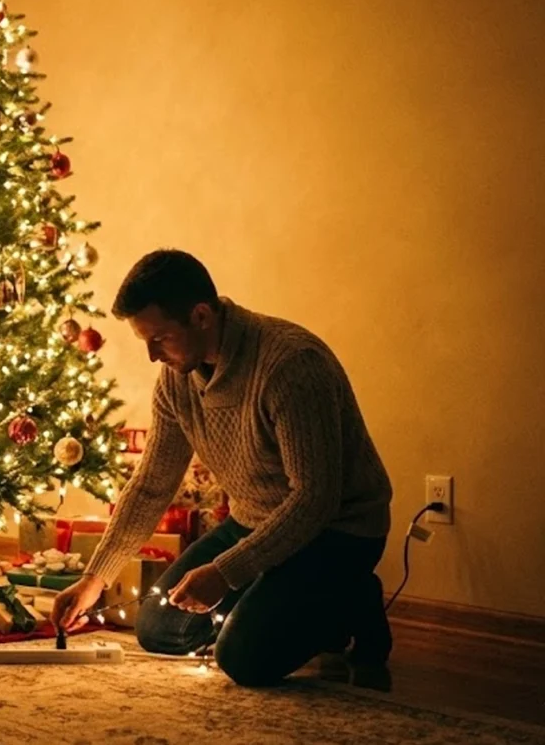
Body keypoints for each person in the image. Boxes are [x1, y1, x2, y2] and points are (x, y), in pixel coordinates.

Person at [51, 249, 393, 687]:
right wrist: (94, 578)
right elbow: (152, 484)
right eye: (145, 342)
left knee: (243, 659)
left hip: (335, 532)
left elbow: (315, 499)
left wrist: (227, 572)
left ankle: (352, 599)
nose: (154, 357)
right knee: (158, 628)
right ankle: (275, 599)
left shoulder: (290, 364)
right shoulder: (178, 379)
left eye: (161, 339)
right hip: (253, 523)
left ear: (201, 316)